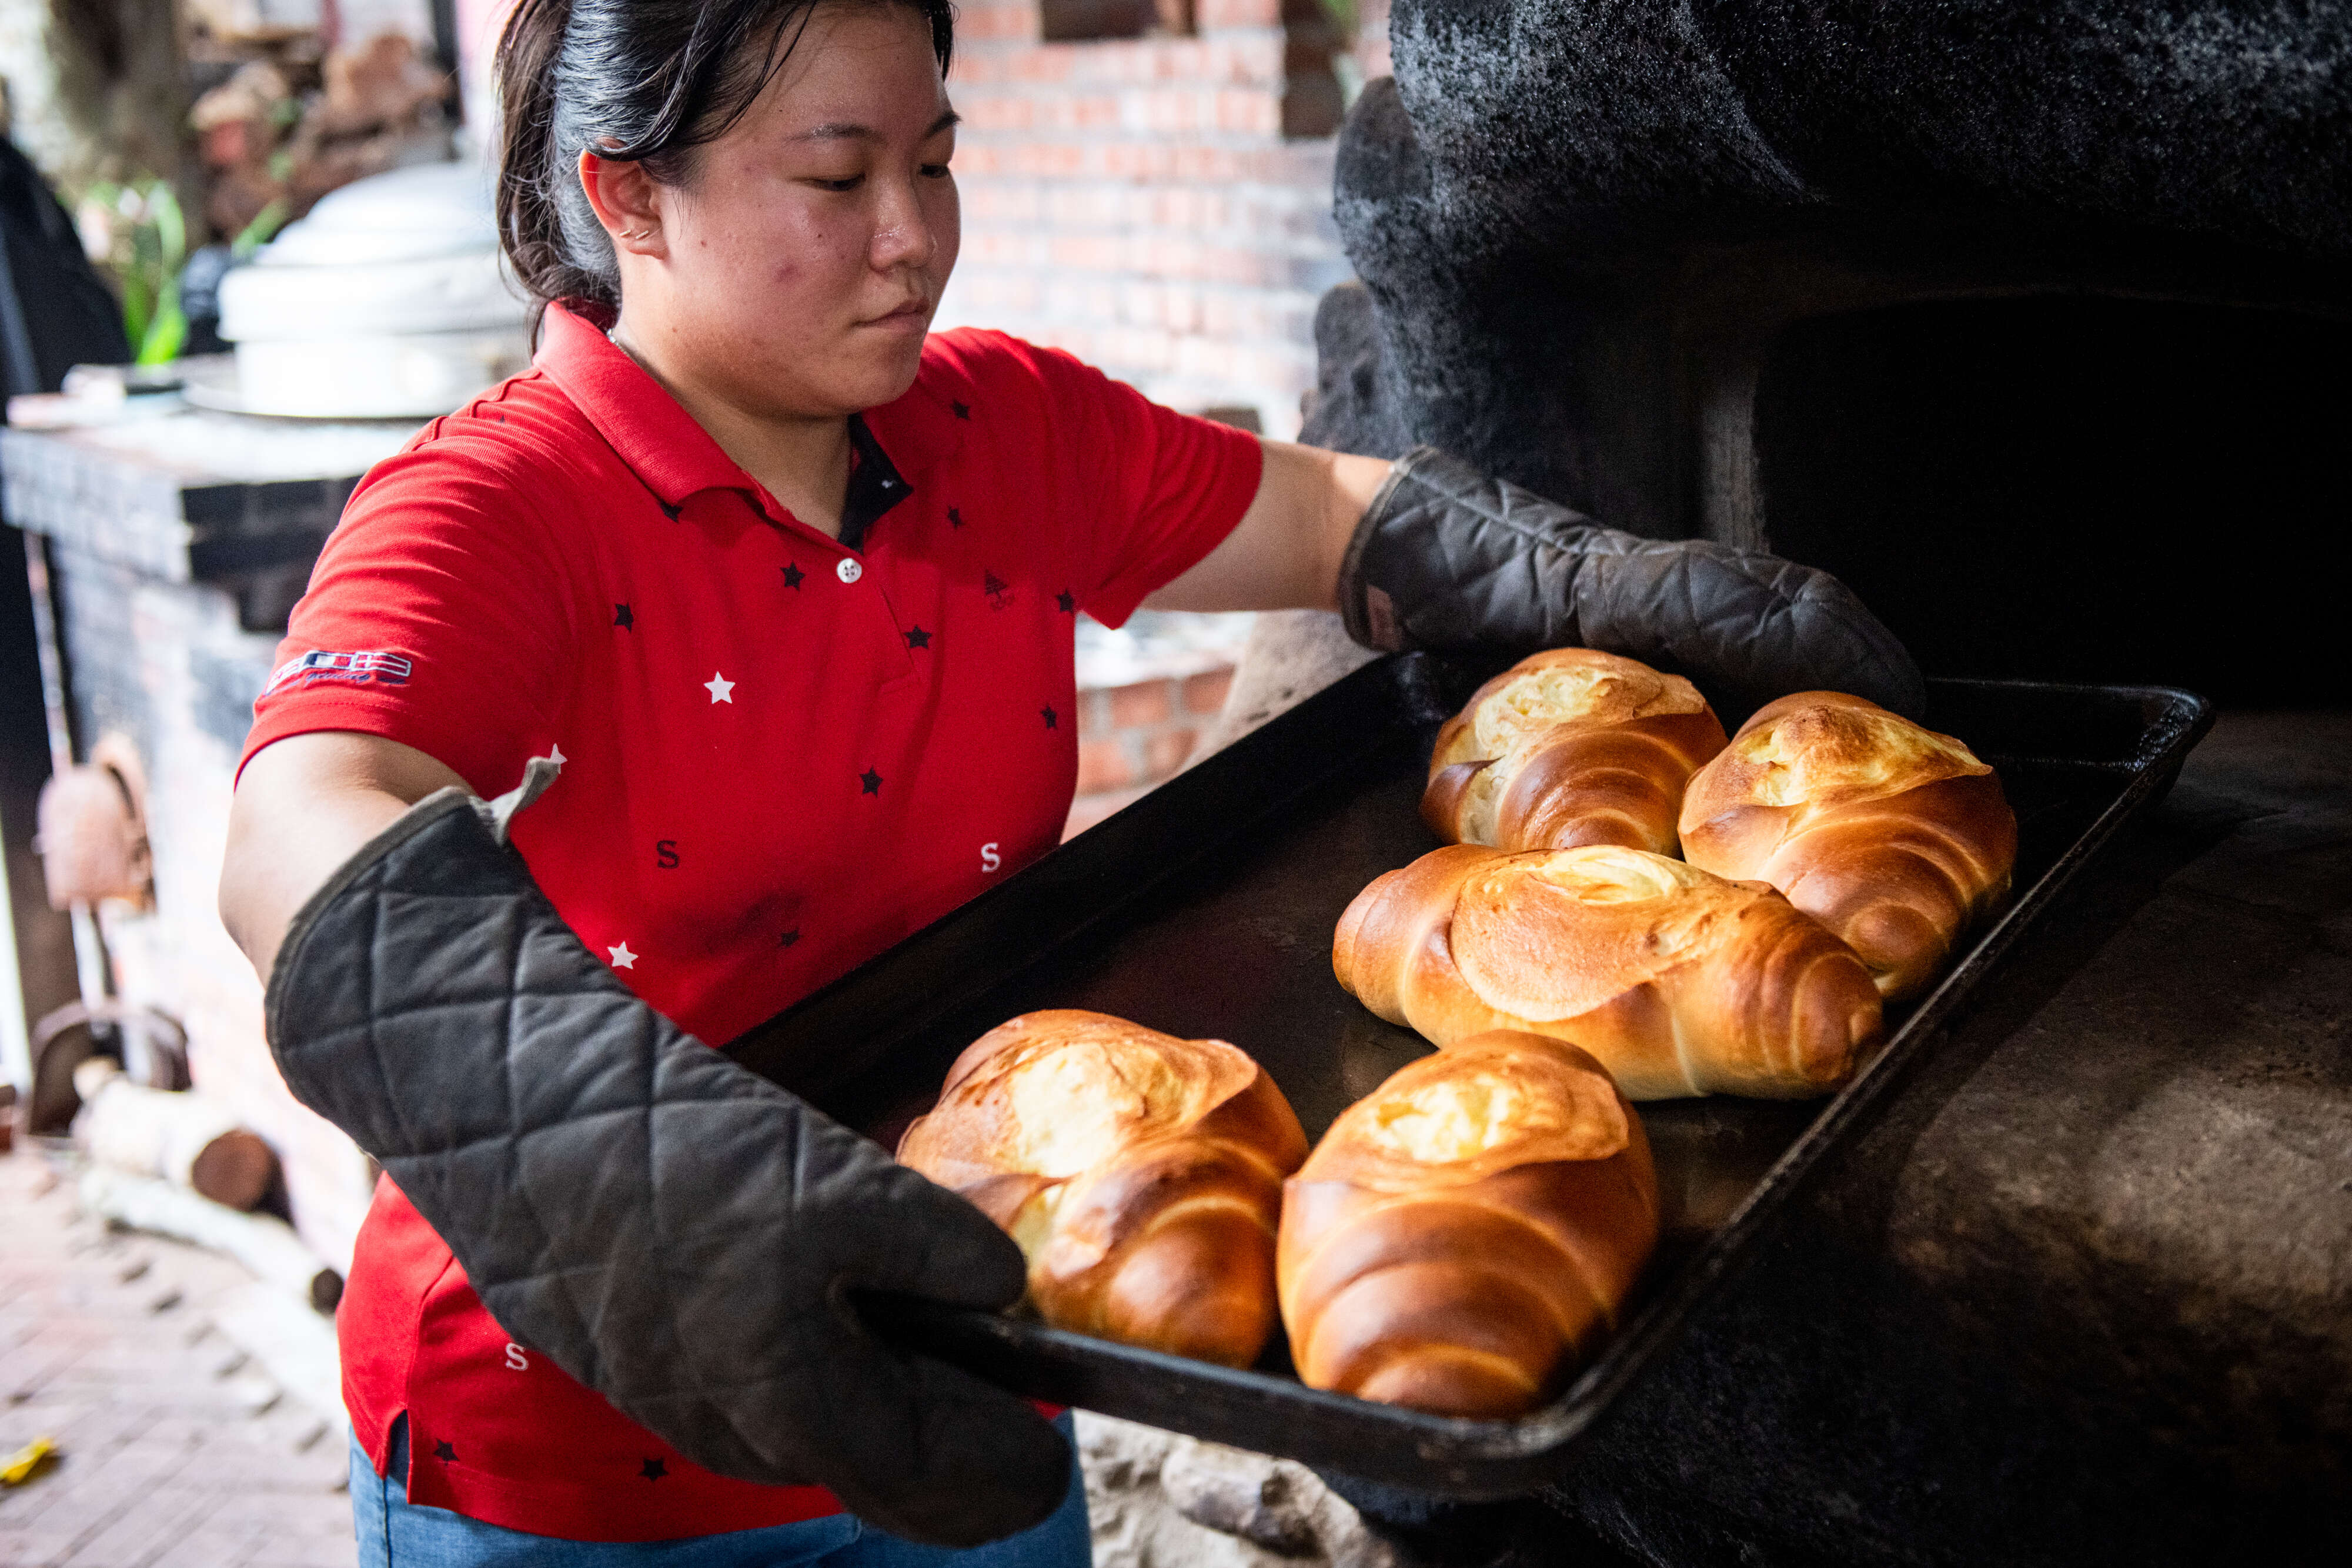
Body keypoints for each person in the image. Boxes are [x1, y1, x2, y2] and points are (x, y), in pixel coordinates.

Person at [216, 0, 1922, 1562]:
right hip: (589, 1464)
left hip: (986, 1353)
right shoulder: (497, 507)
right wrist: (602, 1159)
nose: (916, 239)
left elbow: (1335, 520)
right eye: (838, 175)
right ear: (632, 201)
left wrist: (1579, 577)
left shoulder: (993, 433)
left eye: (937, 159)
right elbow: (298, 821)